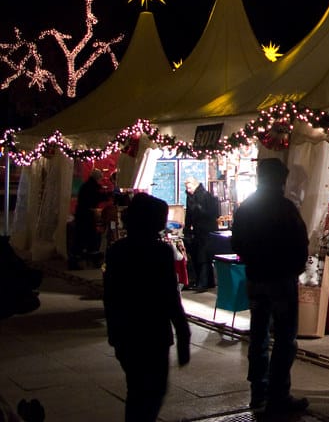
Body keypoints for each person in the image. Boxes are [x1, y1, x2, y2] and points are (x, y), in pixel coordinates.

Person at [230, 157, 310, 414]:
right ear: (281, 180)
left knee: (259, 334)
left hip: (256, 277)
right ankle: (279, 393)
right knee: (285, 337)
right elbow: (301, 243)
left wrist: (254, 260)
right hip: (281, 280)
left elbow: (237, 245)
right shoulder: (286, 208)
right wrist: (294, 269)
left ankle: (258, 390)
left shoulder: (246, 208)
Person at [103, 192, 190, 422]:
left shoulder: (117, 250)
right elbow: (171, 297)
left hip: (126, 332)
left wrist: (114, 331)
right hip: (153, 332)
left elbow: (110, 296)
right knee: (153, 390)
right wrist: (182, 332)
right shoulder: (159, 251)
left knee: (137, 389)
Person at [183, 176, 220, 291]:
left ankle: (203, 282)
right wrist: (187, 229)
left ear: (195, 185)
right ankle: (207, 282)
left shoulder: (204, 196)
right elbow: (189, 214)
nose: (188, 190)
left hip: (205, 230)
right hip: (203, 230)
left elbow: (211, 213)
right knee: (203, 255)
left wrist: (188, 228)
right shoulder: (193, 196)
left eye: (189, 187)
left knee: (202, 256)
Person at [71, 168, 107, 269]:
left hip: (82, 214)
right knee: (88, 236)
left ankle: (78, 258)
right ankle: (86, 258)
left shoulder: (86, 185)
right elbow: (96, 198)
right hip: (86, 215)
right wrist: (107, 195)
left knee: (81, 237)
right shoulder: (92, 187)